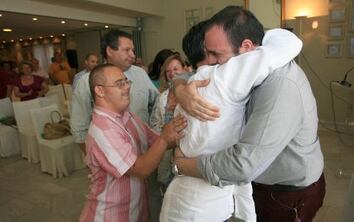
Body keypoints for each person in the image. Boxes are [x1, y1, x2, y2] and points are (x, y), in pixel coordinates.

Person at [172, 6, 325, 222]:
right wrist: (180, 90)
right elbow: (190, 74)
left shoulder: (280, 85)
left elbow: (243, 165)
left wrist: (181, 165)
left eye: (215, 54)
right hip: (261, 182)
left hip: (285, 193)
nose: (209, 63)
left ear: (246, 46)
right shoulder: (245, 62)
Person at [79, 63, 187, 222]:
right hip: (111, 215)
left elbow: (155, 142)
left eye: (126, 81)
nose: (127, 87)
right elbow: (141, 168)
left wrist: (180, 129)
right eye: (119, 84)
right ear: (100, 90)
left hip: (136, 210)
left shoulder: (127, 116)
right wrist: (165, 137)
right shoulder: (102, 129)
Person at [149, 54, 187, 189]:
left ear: (185, 69)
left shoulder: (192, 93)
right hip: (166, 152)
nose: (172, 74)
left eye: (176, 69)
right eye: (168, 71)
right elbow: (154, 126)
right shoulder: (161, 98)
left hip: (187, 152)